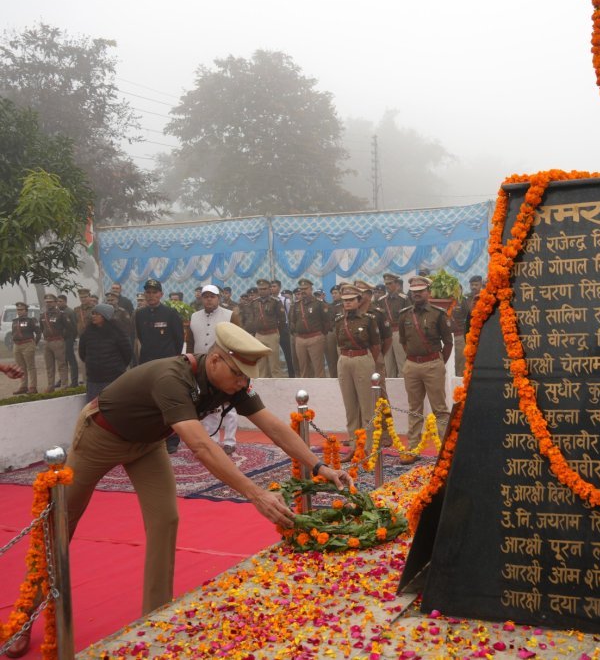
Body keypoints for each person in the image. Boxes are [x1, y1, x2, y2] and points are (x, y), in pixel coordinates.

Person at [5, 323, 353, 658]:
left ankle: (154, 617)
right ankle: (22, 618)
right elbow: (201, 446)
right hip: (102, 436)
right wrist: (255, 493)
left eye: (246, 377)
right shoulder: (172, 377)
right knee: (62, 524)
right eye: (237, 374)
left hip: (147, 443)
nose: (242, 383)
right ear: (215, 360)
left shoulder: (232, 382)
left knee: (165, 520)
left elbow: (273, 426)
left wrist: (321, 467)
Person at [397, 276, 454, 464]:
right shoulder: (404, 314)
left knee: (440, 409)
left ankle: (444, 450)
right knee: (414, 408)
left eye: (421, 290)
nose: (417, 294)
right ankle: (413, 448)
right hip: (412, 365)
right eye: (414, 291)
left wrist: (438, 362)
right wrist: (415, 359)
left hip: (433, 364)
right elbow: (404, 342)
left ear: (428, 292)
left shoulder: (438, 314)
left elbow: (448, 342)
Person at [135, 279, 185, 452]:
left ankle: (172, 440)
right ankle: (153, 438)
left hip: (166, 364)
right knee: (149, 402)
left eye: (154, 292)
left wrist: (171, 360)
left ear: (161, 294)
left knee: (169, 402)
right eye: (147, 292)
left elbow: (179, 340)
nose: (151, 296)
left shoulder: (170, 313)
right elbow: (142, 338)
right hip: (147, 364)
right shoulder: (140, 315)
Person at [189, 285, 239, 455]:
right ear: (201, 298)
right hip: (201, 366)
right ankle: (212, 440)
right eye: (205, 296)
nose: (208, 299)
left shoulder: (230, 315)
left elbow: (238, 339)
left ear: (219, 298)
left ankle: (230, 441)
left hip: (224, 364)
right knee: (209, 403)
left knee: (228, 403)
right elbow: (190, 342)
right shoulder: (194, 316)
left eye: (212, 296)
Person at [334, 284, 380, 459]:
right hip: (344, 360)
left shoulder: (368, 319)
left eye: (351, 300)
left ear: (359, 300)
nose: (347, 303)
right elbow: (338, 343)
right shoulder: (339, 320)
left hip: (363, 359)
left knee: (367, 407)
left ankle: (368, 448)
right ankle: (354, 447)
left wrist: (367, 363)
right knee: (350, 408)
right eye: (345, 300)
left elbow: (376, 345)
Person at [78, 304, 133, 401]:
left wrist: (117, 366)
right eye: (93, 314)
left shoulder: (118, 332)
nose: (93, 316)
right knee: (94, 410)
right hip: (94, 379)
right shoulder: (87, 332)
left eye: (97, 314)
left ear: (105, 315)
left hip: (114, 378)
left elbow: (127, 353)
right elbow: (82, 353)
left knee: (114, 406)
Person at [290, 278, 331, 378]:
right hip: (300, 339)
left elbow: (326, 321)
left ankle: (320, 392)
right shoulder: (295, 305)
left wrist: (321, 335)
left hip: (315, 338)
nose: (303, 291)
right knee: (303, 369)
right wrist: (297, 335)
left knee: (318, 369)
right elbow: (292, 321)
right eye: (301, 289)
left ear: (311, 289)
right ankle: (306, 391)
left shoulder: (319, 304)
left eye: (305, 288)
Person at [250, 279, 287, 377]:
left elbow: (282, 319)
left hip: (272, 334)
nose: (262, 291)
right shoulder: (254, 302)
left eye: (264, 288)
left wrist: (277, 331)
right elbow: (253, 318)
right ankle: (263, 388)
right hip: (258, 335)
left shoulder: (275, 302)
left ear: (269, 289)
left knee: (274, 364)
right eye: (260, 289)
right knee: (261, 365)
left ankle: (278, 388)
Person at [378, 273, 410, 378]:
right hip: (386, 334)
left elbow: (409, 318)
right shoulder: (382, 300)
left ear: (396, 284)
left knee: (401, 363)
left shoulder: (404, 299)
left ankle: (403, 389)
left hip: (399, 333)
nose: (387, 286)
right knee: (388, 365)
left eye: (390, 283)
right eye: (386, 284)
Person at [39, 294, 70, 393]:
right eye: (47, 302)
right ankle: (50, 386)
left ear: (55, 302)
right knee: (49, 365)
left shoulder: (61, 314)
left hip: (58, 341)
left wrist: (62, 338)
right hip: (47, 342)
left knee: (62, 364)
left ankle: (64, 385)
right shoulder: (43, 315)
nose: (48, 304)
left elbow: (68, 327)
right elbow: (41, 328)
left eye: (50, 302)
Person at [10, 302, 40, 395]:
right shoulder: (15, 321)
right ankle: (23, 386)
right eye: (18, 310)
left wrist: (34, 344)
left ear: (26, 311)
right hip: (17, 345)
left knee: (30, 366)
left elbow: (38, 333)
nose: (19, 311)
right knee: (21, 367)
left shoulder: (31, 320)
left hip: (28, 344)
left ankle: (33, 387)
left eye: (21, 310)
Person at [271, 280, 295, 377]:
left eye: (274, 286)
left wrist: (288, 329)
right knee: (272, 354)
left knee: (288, 353)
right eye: (271, 286)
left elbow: (289, 315)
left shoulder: (285, 300)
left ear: (279, 287)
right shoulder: (268, 300)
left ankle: (291, 375)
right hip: (272, 330)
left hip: (283, 329)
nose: (272, 288)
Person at [56, 294, 80, 387]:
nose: (58, 303)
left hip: (68, 339)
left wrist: (72, 338)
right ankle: (62, 380)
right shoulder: (57, 312)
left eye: (61, 301)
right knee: (62, 360)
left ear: (65, 302)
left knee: (71, 360)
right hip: (60, 339)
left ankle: (74, 382)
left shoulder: (69, 312)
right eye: (57, 301)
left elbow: (74, 326)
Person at [324, 285, 342, 378]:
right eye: (332, 293)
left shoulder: (345, 304)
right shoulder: (329, 306)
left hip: (341, 331)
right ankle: (333, 377)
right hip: (331, 332)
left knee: (341, 357)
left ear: (341, 293)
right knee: (331, 357)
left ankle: (343, 377)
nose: (334, 295)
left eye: (336, 293)